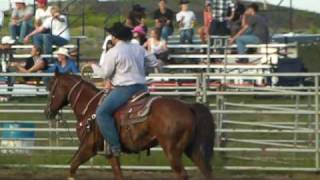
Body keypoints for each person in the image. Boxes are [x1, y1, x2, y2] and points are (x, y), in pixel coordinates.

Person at [91, 22, 158, 157]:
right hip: (142, 87)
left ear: (115, 37)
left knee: (102, 113)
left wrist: (93, 67)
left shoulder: (114, 51)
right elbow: (154, 62)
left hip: (125, 89)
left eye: (111, 35)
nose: (111, 37)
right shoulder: (138, 48)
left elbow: (105, 74)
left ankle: (115, 146)